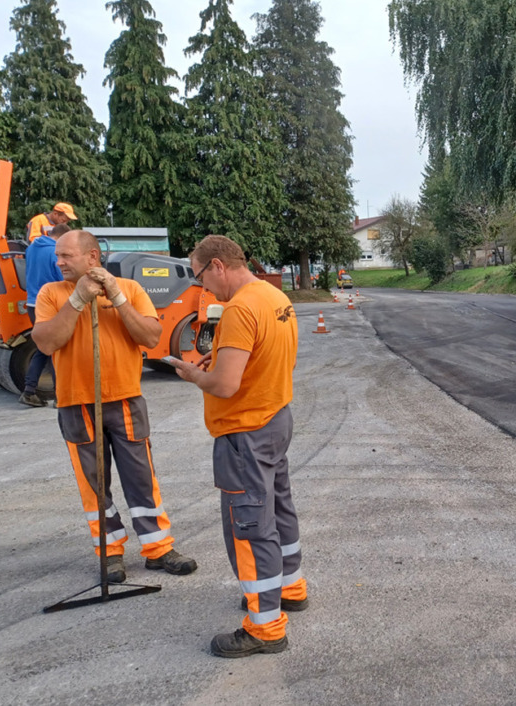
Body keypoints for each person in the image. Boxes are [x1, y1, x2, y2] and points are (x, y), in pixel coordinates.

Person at [31, 230, 198, 584]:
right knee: (95, 483)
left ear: (92, 257)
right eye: (58, 256)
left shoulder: (131, 289)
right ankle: (110, 553)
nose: (58, 262)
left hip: (125, 398)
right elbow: (46, 344)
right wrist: (76, 301)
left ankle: (158, 549)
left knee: (142, 478)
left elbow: (151, 337)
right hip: (77, 404)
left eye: (66, 256)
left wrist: (118, 297)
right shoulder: (51, 293)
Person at [170, 234, 306, 659]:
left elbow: (226, 386)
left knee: (249, 528)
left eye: (200, 277)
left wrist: (194, 375)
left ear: (217, 265)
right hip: (274, 418)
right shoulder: (272, 296)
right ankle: (290, 588)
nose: (203, 289)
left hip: (244, 431)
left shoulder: (239, 309)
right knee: (279, 509)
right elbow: (263, 358)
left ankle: (265, 626)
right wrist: (225, 360)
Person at [19, 223, 69, 407]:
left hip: (33, 304)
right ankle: (60, 397)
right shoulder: (55, 252)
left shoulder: (32, 248)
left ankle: (29, 391)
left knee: (44, 347)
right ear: (62, 237)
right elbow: (65, 277)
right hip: (51, 304)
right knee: (56, 349)